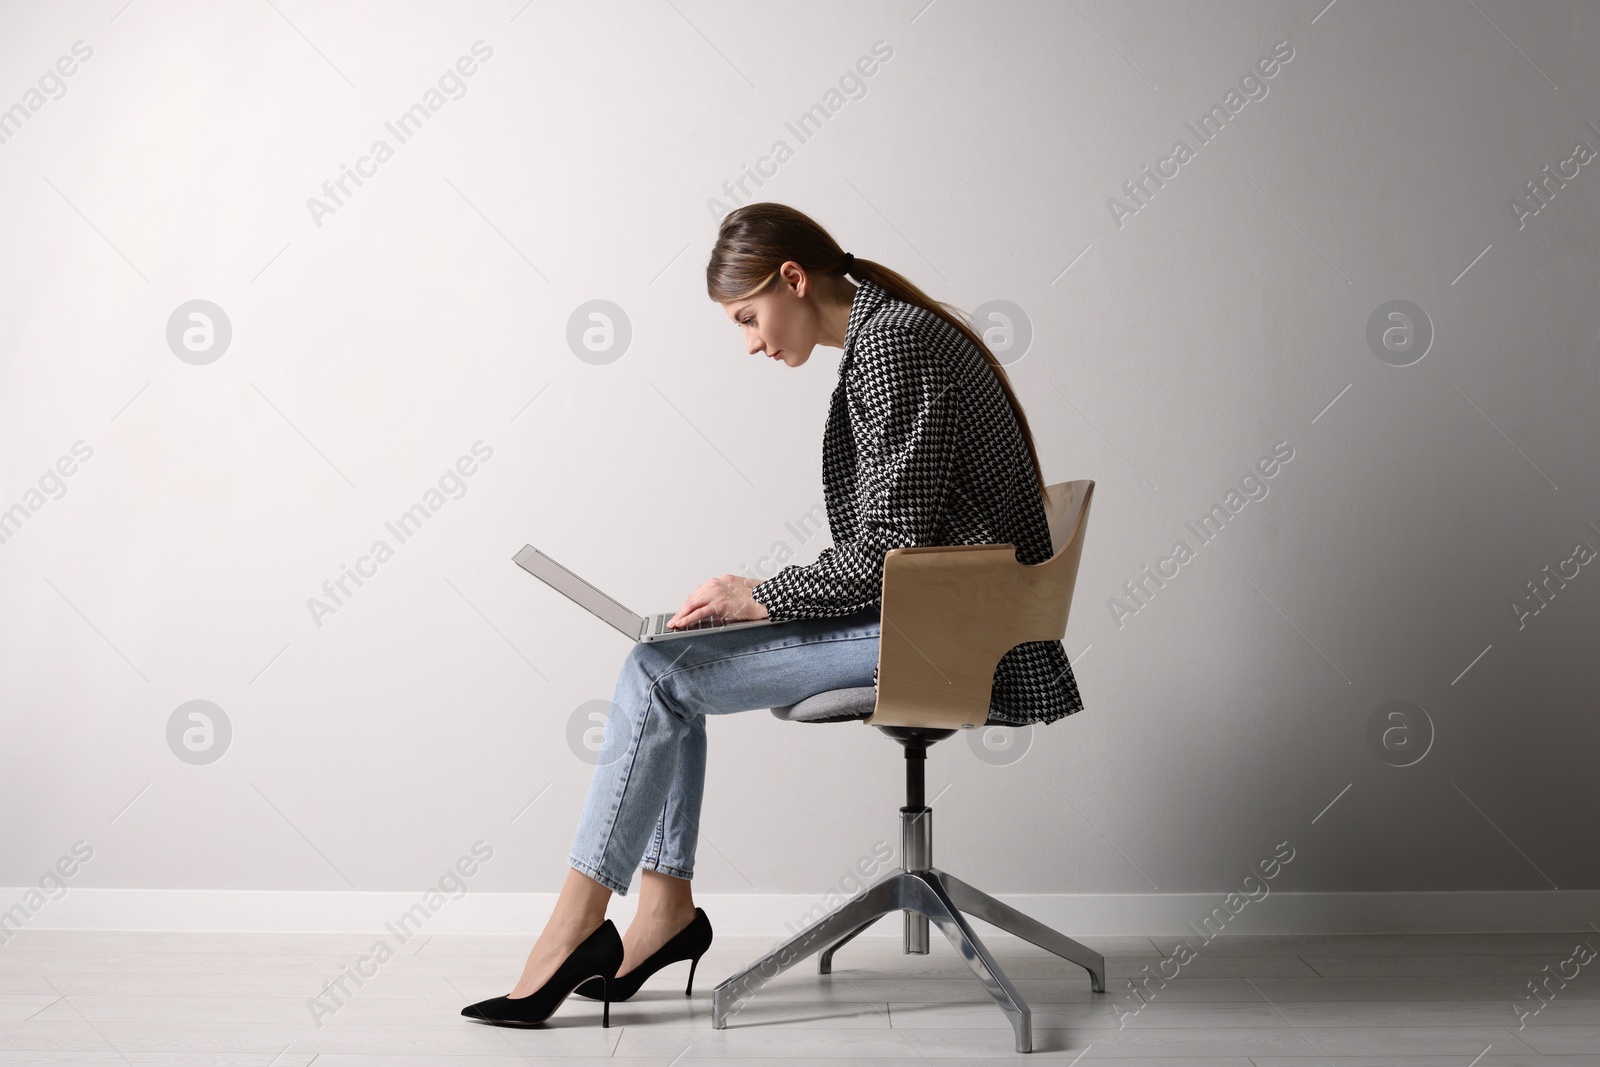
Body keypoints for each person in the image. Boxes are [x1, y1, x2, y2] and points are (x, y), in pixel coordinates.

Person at [460, 202, 1084, 1028]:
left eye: (748, 317)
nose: (751, 342)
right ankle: (661, 914)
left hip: (956, 638)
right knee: (665, 667)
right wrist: (754, 601)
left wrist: (757, 595)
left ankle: (579, 930)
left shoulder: (894, 344)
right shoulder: (889, 335)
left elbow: (883, 555)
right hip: (948, 615)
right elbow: (888, 555)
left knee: (658, 672)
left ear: (794, 278)